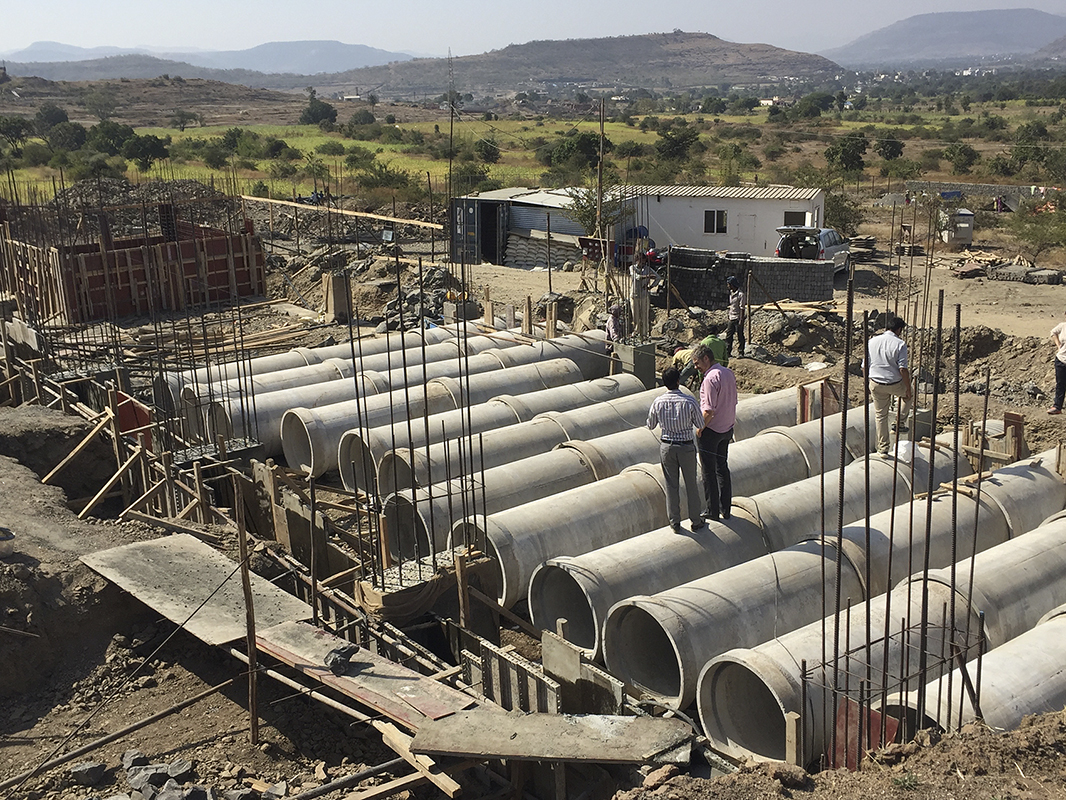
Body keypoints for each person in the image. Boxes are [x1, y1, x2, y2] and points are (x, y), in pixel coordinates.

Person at [647, 367, 705, 533]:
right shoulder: (689, 401)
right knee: (691, 484)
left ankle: (675, 522)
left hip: (667, 447)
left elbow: (650, 425)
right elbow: (700, 424)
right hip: (686, 447)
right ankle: (695, 521)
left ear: (664, 383)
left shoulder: (658, 402)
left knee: (671, 485)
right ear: (678, 381)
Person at [693, 343, 738, 521]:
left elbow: (709, 411)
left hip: (712, 431)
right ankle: (725, 508)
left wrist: (700, 427)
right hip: (727, 428)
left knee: (708, 472)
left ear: (706, 358)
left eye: (697, 363)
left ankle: (712, 511)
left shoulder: (710, 379)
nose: (695, 367)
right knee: (722, 468)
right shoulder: (728, 373)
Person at [865, 314, 912, 455]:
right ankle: (899, 422)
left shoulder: (872, 341)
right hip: (894, 383)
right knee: (909, 395)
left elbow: (864, 366)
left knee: (880, 416)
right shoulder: (900, 344)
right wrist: (908, 388)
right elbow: (903, 368)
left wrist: (867, 383)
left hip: (875, 382)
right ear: (898, 330)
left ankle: (883, 449)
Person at [629, 253, 661, 340]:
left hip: (644, 295)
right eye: (641, 261)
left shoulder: (647, 269)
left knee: (644, 315)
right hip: (634, 295)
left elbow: (658, 277)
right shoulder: (632, 268)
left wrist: (650, 286)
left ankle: (644, 334)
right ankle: (636, 332)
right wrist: (647, 276)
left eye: (644, 261)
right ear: (637, 260)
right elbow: (636, 277)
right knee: (635, 316)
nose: (643, 263)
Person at [1048, 312, 1066, 415]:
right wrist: (1058, 345)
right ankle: (1057, 406)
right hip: (1061, 359)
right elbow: (1053, 332)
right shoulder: (1063, 326)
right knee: (1060, 384)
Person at [725, 275, 746, 359]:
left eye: (728, 284)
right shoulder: (731, 293)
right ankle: (728, 352)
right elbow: (732, 305)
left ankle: (741, 352)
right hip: (731, 317)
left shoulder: (741, 295)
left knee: (740, 335)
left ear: (732, 284)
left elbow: (742, 308)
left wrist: (741, 319)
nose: (728, 286)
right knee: (729, 336)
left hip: (737, 317)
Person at [605, 303, 627, 375]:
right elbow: (613, 332)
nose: (620, 313)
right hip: (611, 347)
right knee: (613, 365)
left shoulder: (616, 319)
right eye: (619, 312)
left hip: (615, 345)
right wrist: (617, 339)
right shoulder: (612, 321)